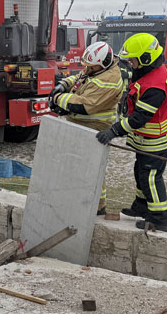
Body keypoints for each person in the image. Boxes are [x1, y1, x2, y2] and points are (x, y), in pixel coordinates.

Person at [96, 33, 167, 232]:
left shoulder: (155, 86)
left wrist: (113, 131)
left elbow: (139, 118)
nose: (130, 64)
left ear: (146, 59)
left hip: (156, 140)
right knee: (140, 172)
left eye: (133, 60)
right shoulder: (149, 72)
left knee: (150, 177)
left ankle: (158, 218)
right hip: (147, 139)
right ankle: (141, 207)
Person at [49, 42, 126, 215]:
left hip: (95, 127)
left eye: (92, 66)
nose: (88, 68)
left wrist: (58, 98)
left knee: (92, 168)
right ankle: (78, 199)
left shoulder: (108, 81)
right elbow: (80, 77)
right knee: (76, 165)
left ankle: (97, 206)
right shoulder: (98, 68)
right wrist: (63, 84)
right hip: (81, 124)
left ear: (103, 63)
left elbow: (85, 105)